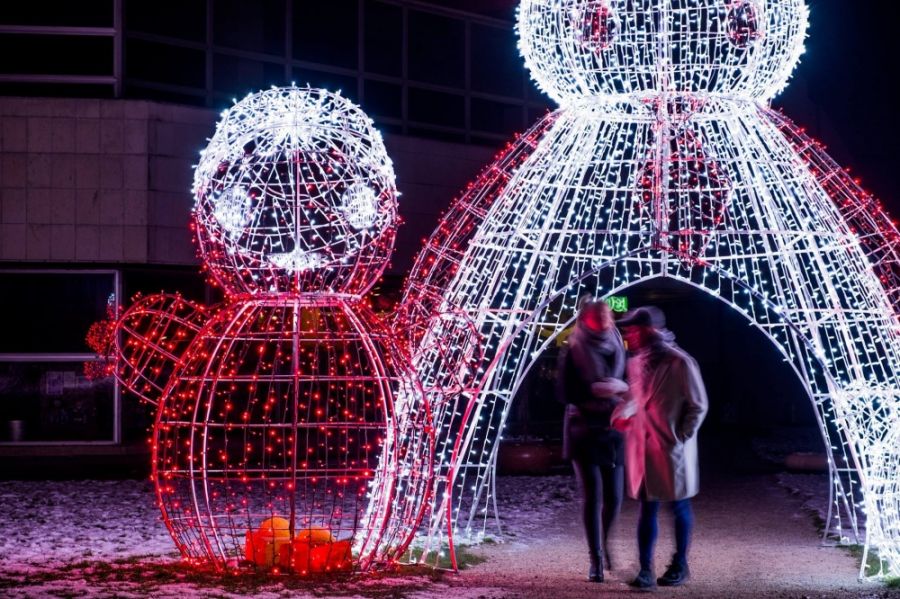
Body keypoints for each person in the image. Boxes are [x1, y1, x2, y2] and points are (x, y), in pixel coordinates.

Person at [613, 306, 708, 589]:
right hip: (645, 445)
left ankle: (679, 564)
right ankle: (645, 570)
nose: (628, 334)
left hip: (670, 447)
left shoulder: (680, 362)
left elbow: (698, 404)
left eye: (633, 329)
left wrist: (680, 435)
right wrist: (623, 415)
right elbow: (635, 396)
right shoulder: (637, 362)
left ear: (649, 330)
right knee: (648, 508)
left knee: (678, 506)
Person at [556, 297, 628, 582]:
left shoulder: (617, 343)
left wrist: (621, 387)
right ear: (586, 318)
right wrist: (595, 391)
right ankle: (595, 559)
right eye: (599, 317)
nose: (605, 320)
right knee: (593, 495)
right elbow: (564, 391)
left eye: (607, 315)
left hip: (614, 427)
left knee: (615, 497)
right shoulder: (573, 348)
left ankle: (607, 545)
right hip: (584, 429)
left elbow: (630, 380)